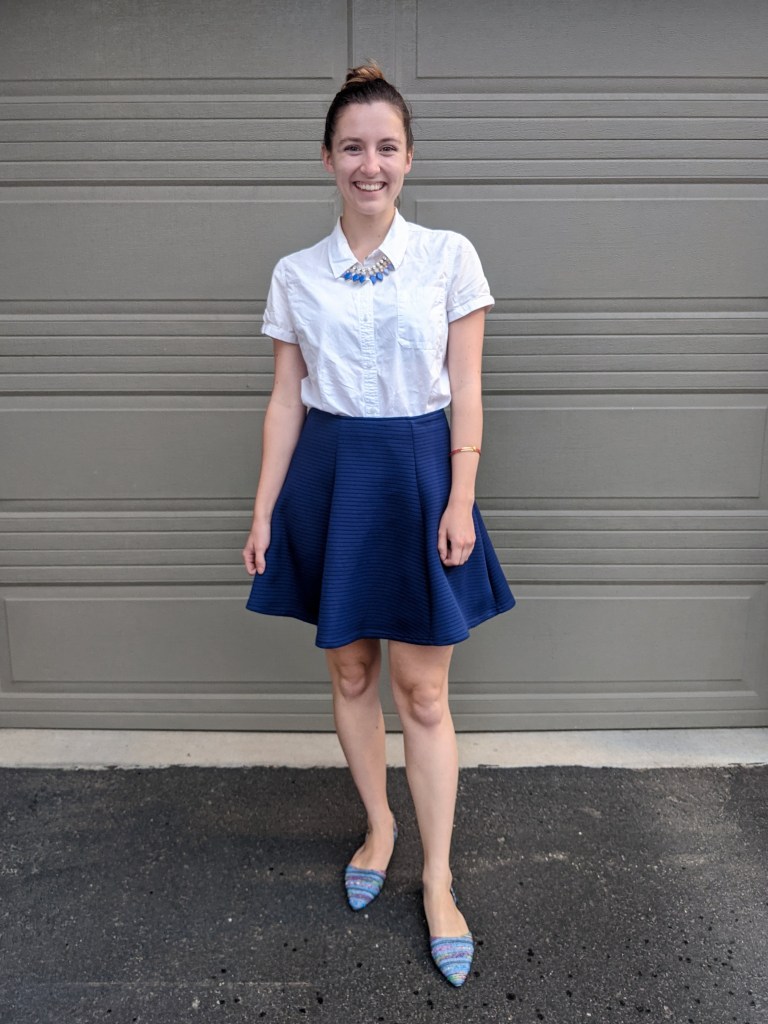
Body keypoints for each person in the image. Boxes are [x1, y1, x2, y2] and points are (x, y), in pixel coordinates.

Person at [241, 61, 515, 988]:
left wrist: (460, 496)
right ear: (326, 159)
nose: (371, 164)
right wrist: (265, 507)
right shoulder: (295, 275)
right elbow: (287, 400)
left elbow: (467, 387)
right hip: (330, 472)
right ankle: (381, 825)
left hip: (419, 471)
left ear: (409, 158)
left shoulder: (448, 257)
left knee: (424, 691)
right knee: (351, 667)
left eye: (386, 147)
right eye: (352, 147)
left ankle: (438, 878)